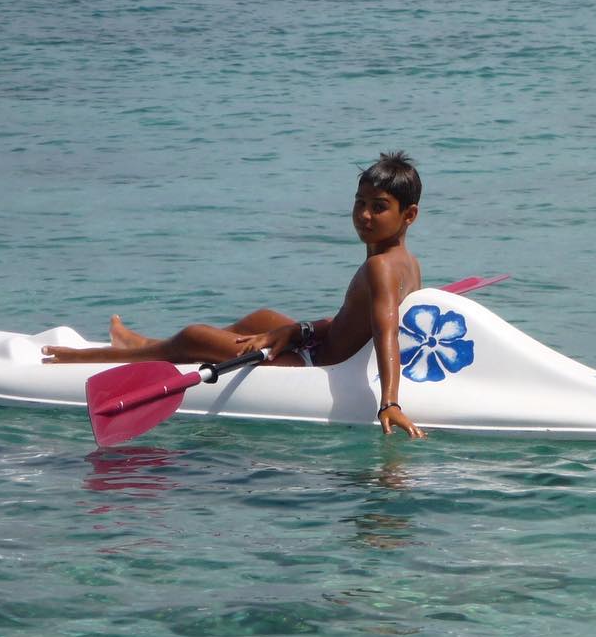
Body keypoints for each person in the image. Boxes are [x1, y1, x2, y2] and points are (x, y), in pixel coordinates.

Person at [41, 152, 427, 439]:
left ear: (408, 215)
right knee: (263, 320)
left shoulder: (380, 267)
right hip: (315, 346)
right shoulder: (406, 262)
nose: (364, 216)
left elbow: (385, 330)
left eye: (379, 208)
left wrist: (389, 402)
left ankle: (95, 356)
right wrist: (297, 331)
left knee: (196, 336)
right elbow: (355, 322)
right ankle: (153, 345)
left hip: (311, 367)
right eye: (360, 203)